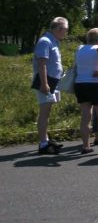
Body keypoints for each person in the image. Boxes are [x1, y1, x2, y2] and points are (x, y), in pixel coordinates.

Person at [31, 17, 69, 155]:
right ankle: (43, 144)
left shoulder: (53, 41)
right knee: (44, 113)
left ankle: (45, 139)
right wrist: (44, 83)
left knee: (47, 112)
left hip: (52, 81)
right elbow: (42, 64)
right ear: (60, 29)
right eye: (66, 30)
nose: (66, 33)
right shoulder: (45, 41)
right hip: (46, 81)